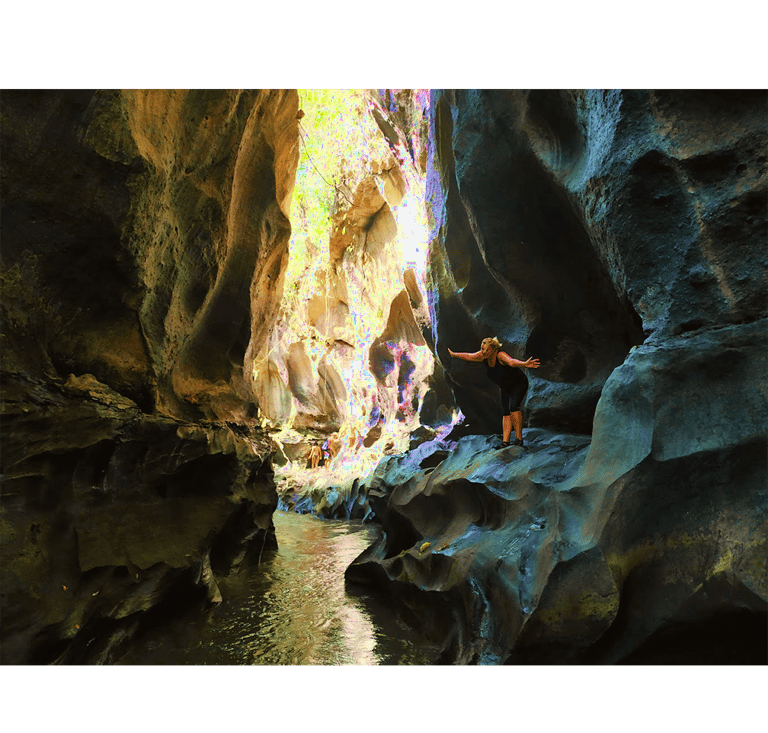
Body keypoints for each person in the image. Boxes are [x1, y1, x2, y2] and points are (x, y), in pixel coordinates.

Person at [448, 337, 540, 448]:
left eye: (487, 350)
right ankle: (505, 442)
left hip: (518, 383)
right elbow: (469, 356)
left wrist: (525, 364)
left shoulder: (500, 355)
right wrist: (454, 355)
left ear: (494, 349)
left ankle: (519, 439)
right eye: (482, 349)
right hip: (505, 386)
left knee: (513, 407)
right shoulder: (482, 356)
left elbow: (511, 362)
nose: (484, 352)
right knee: (506, 411)